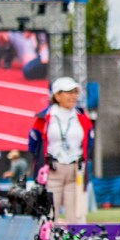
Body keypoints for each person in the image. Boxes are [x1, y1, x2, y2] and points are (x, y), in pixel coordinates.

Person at [28, 77, 94, 223]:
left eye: (75, 92)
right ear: (57, 95)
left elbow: (89, 143)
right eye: (68, 92)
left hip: (75, 169)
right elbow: (33, 144)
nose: (73, 96)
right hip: (52, 169)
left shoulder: (82, 117)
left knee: (76, 215)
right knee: (50, 213)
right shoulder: (44, 118)